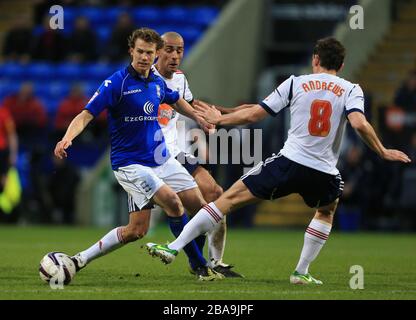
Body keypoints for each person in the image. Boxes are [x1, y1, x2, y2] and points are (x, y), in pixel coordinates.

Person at [146, 37, 412, 284]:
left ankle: (173, 247)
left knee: (225, 200)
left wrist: (220, 119)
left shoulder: (295, 82)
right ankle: (301, 272)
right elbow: (359, 123)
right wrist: (382, 150)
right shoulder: (351, 89)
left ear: (315, 60)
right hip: (324, 171)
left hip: (288, 162)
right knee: (326, 210)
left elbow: (254, 115)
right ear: (341, 65)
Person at [54, 28, 223, 281]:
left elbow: (176, 100)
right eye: (140, 52)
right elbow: (86, 114)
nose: (144, 57)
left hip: (161, 159)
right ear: (131, 51)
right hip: (130, 164)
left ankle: (78, 260)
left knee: (148, 226)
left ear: (155, 55)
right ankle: (200, 267)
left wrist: (198, 116)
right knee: (173, 203)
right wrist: (68, 137)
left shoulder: (156, 82)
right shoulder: (116, 83)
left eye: (149, 53)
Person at [139, 31, 242, 277]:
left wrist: (224, 114)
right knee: (137, 230)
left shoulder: (181, 78)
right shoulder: (143, 79)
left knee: (215, 194)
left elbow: (189, 105)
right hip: (150, 156)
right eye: (169, 49)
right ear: (158, 52)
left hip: (176, 152)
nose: (175, 56)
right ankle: (197, 262)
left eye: (180, 50)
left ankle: (213, 263)